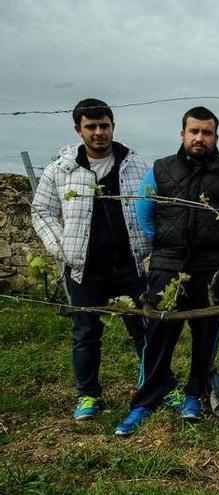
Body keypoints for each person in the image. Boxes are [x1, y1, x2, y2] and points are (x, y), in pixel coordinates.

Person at [114, 107, 219, 436]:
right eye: (194, 131)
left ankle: (194, 393)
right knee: (159, 335)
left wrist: (218, 247)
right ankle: (145, 400)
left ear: (216, 137)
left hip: (212, 269)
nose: (199, 138)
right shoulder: (160, 170)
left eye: (207, 132)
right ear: (182, 134)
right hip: (168, 266)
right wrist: (167, 245)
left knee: (206, 336)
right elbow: (144, 214)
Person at [31, 98, 151, 420]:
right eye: (91, 126)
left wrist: (148, 243)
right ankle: (88, 395)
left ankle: (156, 386)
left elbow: (151, 207)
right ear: (78, 129)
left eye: (104, 125)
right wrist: (62, 248)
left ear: (113, 126)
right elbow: (41, 210)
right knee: (86, 332)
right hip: (84, 268)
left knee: (143, 328)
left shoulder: (136, 165)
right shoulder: (62, 168)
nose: (99, 132)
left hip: (129, 263)